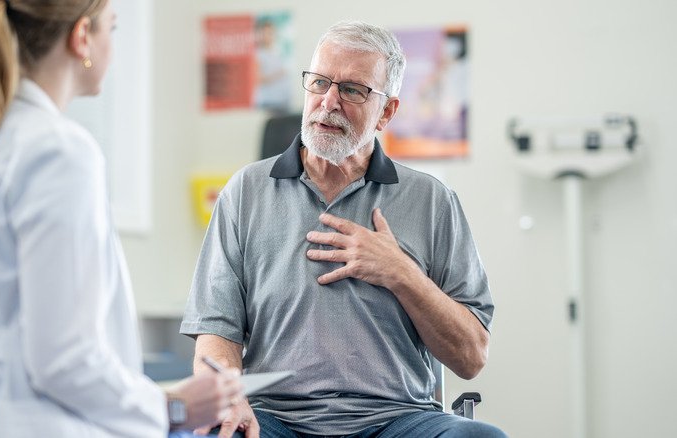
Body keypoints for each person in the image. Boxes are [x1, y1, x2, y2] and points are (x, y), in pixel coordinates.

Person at [0, 1, 242, 437]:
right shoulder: (58, 152)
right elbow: (62, 359)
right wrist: (172, 407)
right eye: (111, 30)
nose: (112, 48)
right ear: (82, 38)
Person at [181, 21, 506, 438]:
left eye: (353, 90)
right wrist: (230, 399)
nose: (329, 102)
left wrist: (401, 273)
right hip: (276, 420)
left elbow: (472, 356)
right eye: (319, 83)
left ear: (387, 112)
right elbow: (216, 330)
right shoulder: (245, 192)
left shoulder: (432, 201)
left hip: (398, 420)